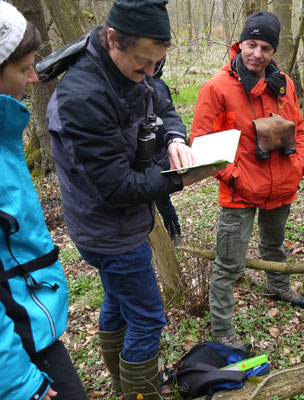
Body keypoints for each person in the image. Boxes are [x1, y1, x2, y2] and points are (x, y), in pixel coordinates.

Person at [43, 0, 218, 398]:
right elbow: (118, 187)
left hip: (119, 223)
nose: (150, 73)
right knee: (148, 317)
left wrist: (175, 138)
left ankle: (124, 384)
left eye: (157, 63)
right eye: (143, 62)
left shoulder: (134, 71)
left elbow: (162, 100)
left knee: (119, 303)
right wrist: (180, 178)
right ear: (111, 40)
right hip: (110, 231)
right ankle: (141, 393)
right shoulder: (81, 98)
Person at [191, 11, 304, 351]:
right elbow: (201, 145)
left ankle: (278, 284)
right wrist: (236, 177)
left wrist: (298, 165)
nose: (257, 53)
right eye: (252, 44)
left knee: (275, 245)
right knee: (229, 263)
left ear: (274, 52)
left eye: (266, 47)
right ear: (240, 43)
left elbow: (298, 128)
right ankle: (223, 328)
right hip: (239, 193)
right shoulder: (216, 88)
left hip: (281, 186)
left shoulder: (283, 84)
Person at [0, 2, 86, 399]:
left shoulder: (5, 139)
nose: (34, 77)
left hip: (29, 323)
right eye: (22, 69)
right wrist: (20, 383)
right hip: (13, 350)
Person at [152, 59, 183, 246]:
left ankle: (175, 235)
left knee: (162, 200)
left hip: (158, 152)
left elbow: (165, 116)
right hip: (157, 151)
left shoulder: (156, 86)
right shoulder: (157, 83)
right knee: (159, 201)